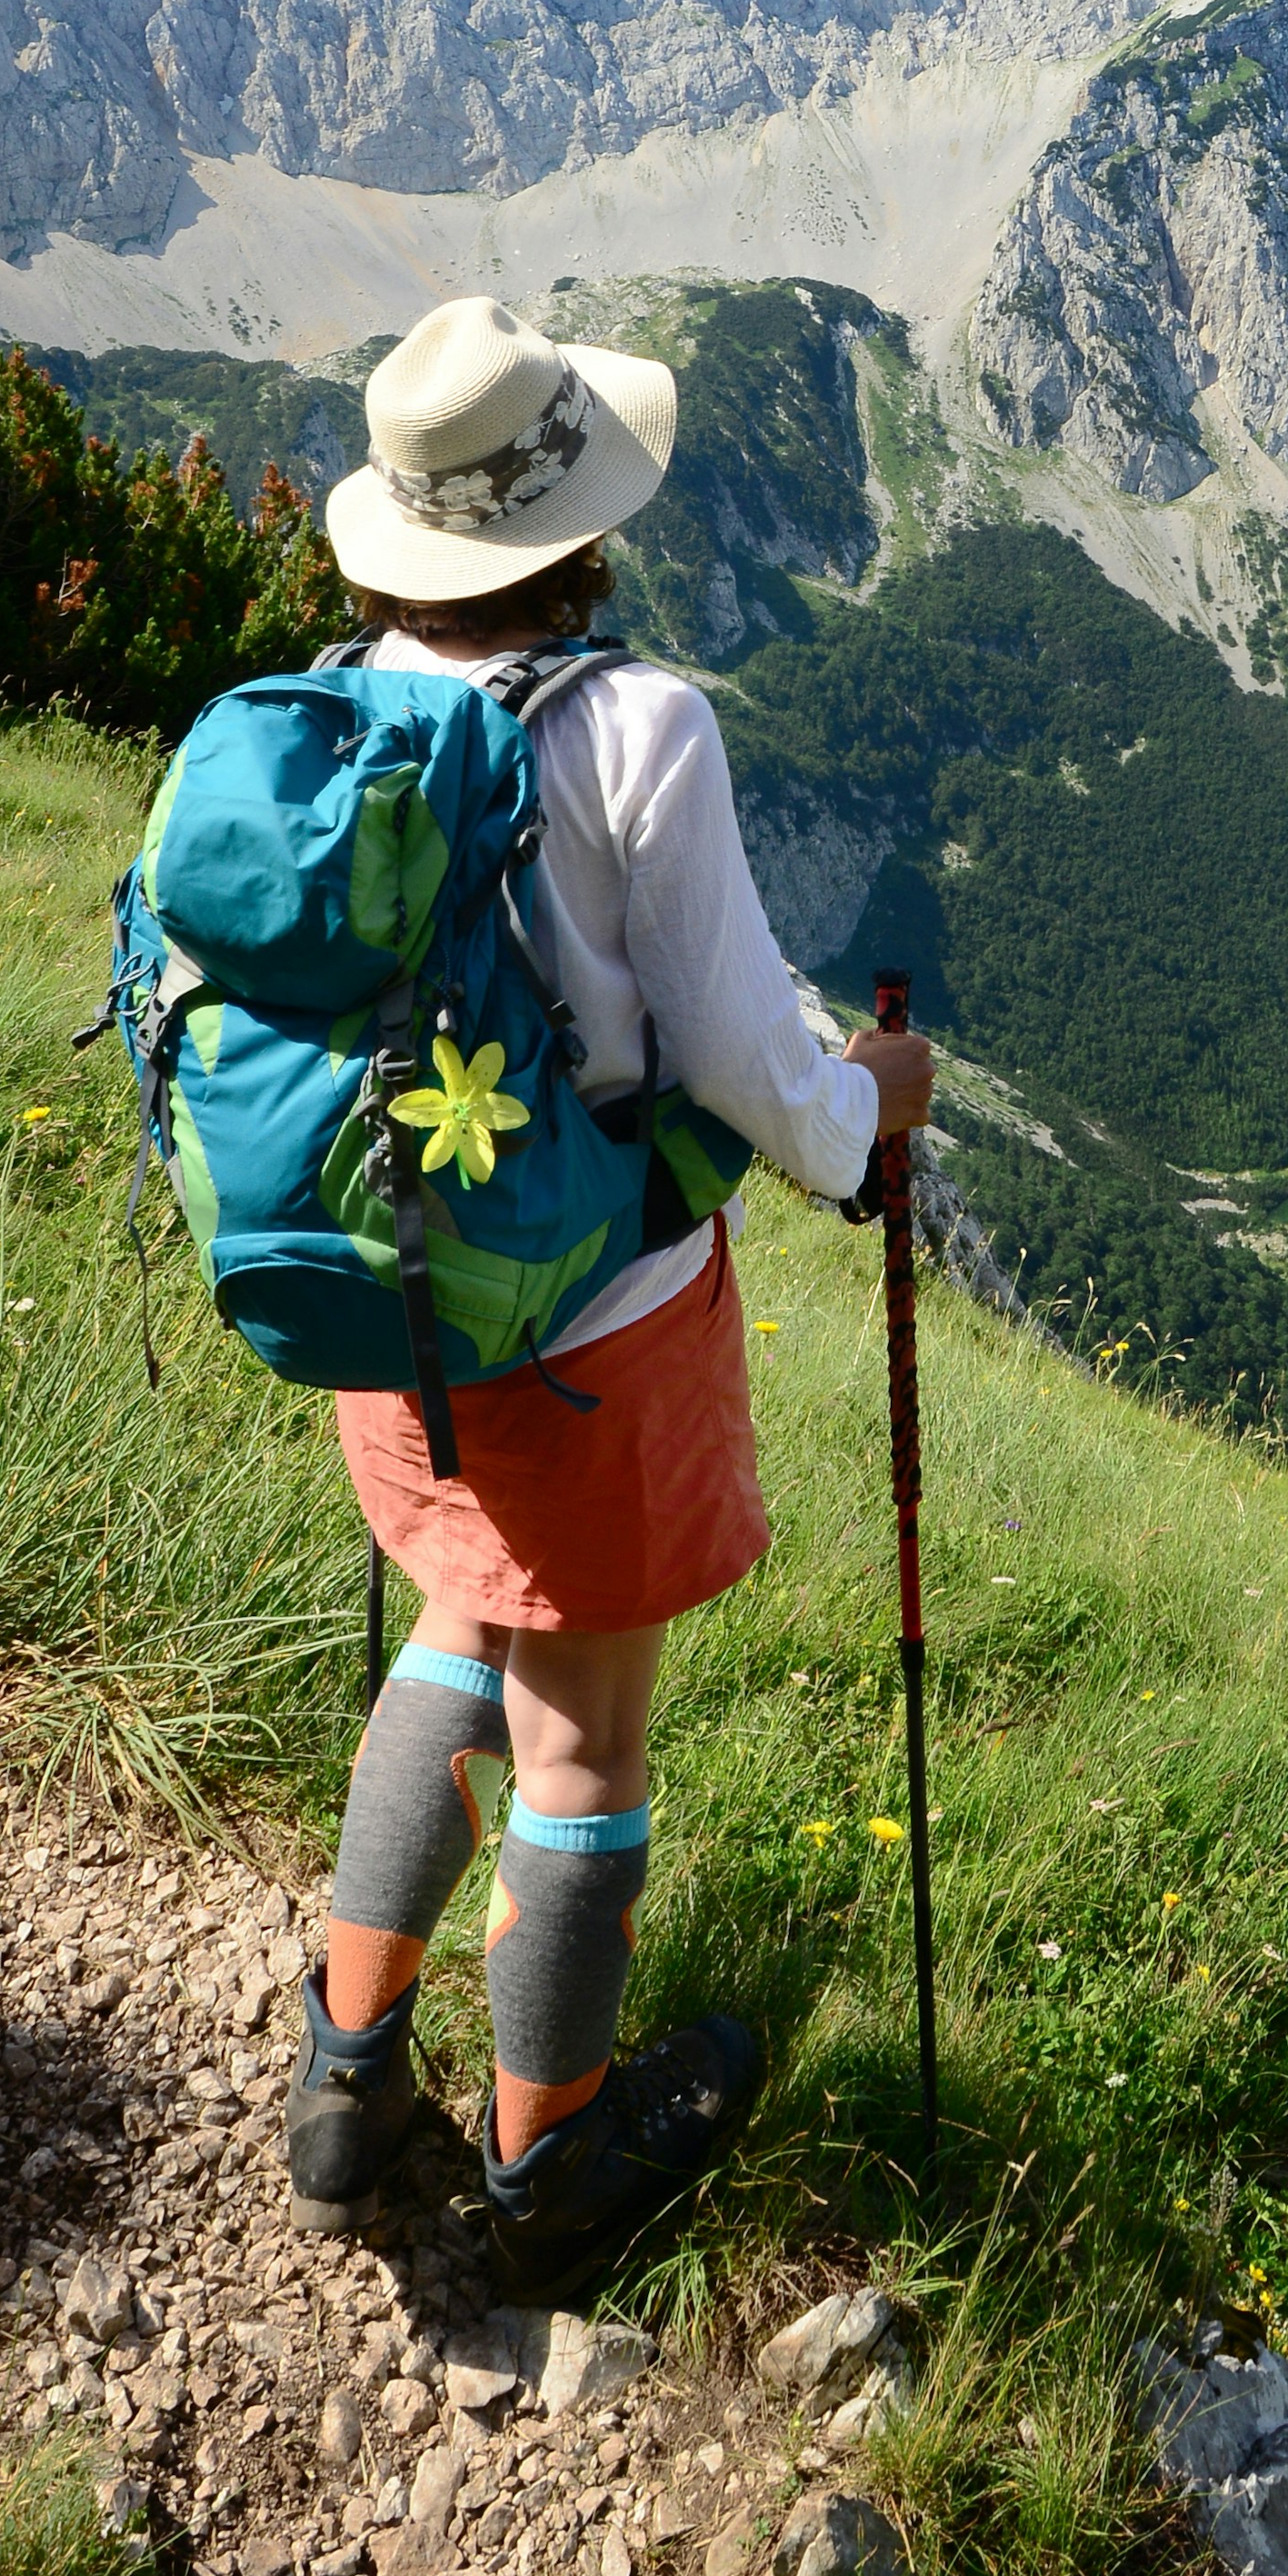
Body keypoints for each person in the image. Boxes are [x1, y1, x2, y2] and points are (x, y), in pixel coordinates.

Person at [280, 295, 934, 2298]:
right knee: (585, 1737)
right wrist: (873, 1116)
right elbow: (746, 1059)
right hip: (590, 1326)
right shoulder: (635, 723)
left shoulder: (333, 703)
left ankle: (344, 2064)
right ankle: (547, 2156)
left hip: (389, 1293)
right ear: (580, 524)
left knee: (457, 1621)